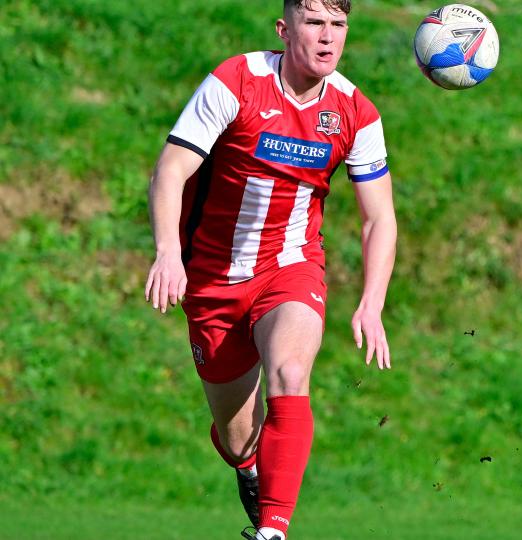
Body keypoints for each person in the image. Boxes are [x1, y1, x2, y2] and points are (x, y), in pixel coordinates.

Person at [144, 1, 396, 539]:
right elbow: (171, 169)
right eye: (315, 22)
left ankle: (273, 529)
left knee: (290, 373)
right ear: (284, 30)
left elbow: (379, 218)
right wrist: (167, 251)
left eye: (338, 25)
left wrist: (372, 303)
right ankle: (249, 465)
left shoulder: (356, 112)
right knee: (239, 439)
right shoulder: (237, 81)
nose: (328, 37)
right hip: (213, 278)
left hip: (290, 269)